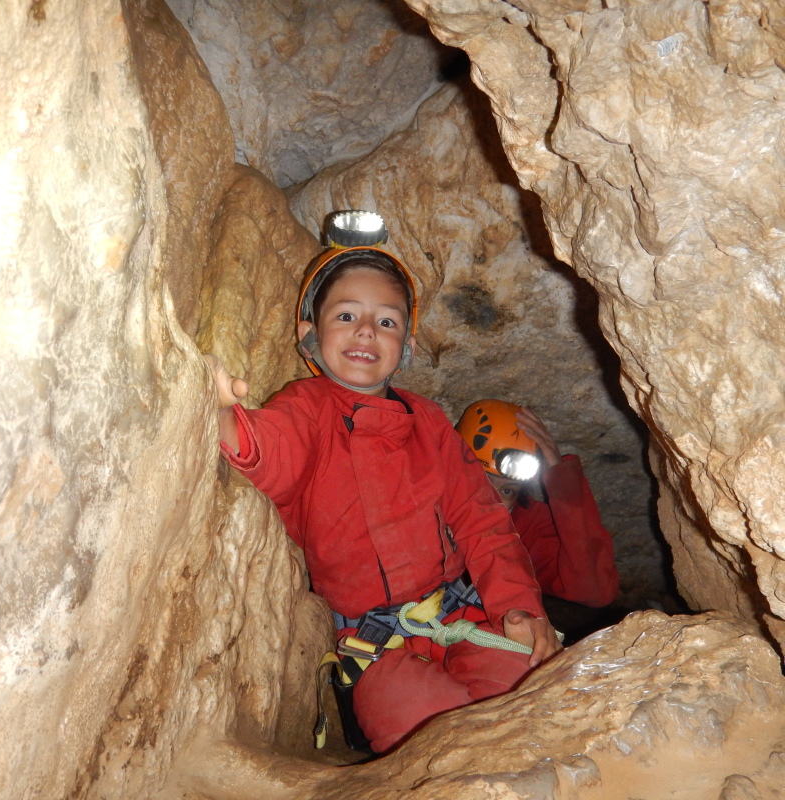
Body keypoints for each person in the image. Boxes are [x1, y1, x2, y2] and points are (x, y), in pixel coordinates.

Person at [204, 215, 562, 754]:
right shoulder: (308, 407)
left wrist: (519, 607)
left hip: (463, 612)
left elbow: (482, 518)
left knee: (528, 691)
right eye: (346, 316)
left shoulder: (429, 421)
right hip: (375, 645)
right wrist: (229, 421)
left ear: (407, 345)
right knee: (423, 731)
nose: (367, 331)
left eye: (387, 322)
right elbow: (274, 451)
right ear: (309, 337)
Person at [456, 399, 619, 610]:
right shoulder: (419, 499)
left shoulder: (523, 527)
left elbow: (595, 591)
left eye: (507, 491)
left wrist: (561, 477)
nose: (491, 501)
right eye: (481, 480)